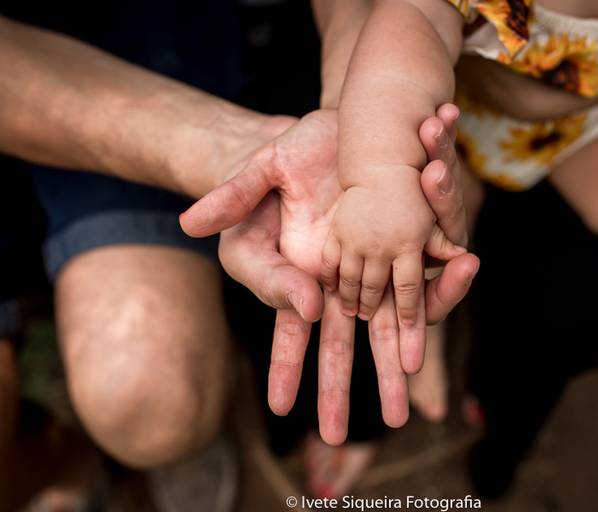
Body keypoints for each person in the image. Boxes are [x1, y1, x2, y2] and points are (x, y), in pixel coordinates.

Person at [0, 10, 477, 509]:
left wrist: (361, 124)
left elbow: (405, 20)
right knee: (143, 398)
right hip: (63, 69)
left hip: (319, 43)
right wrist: (234, 154)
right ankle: (147, 443)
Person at [313, 0, 598, 443]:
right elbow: (414, 21)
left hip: (593, 117)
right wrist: (383, 172)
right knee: (416, 222)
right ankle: (420, 336)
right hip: (450, 105)